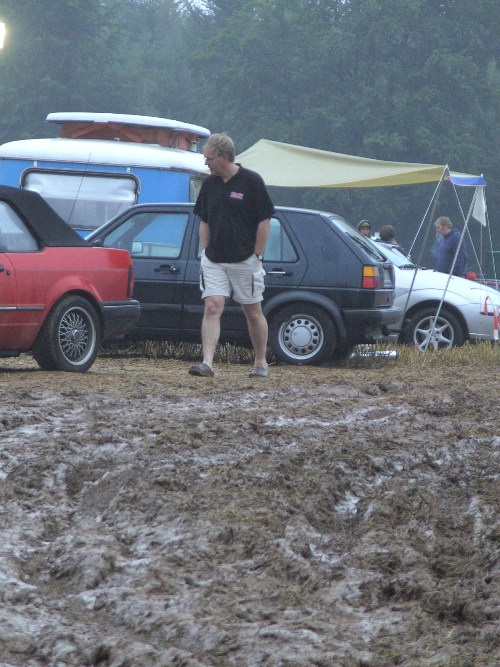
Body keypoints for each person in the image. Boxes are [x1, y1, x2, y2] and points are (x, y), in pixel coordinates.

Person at [189, 133, 275, 378]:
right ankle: (207, 363)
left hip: (245, 259)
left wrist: (257, 255)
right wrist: (204, 252)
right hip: (214, 260)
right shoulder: (209, 185)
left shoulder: (252, 182)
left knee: (252, 312)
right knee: (212, 306)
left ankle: (260, 362)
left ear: (224, 157)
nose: (206, 163)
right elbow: (203, 220)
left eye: (209, 158)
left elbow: (265, 221)